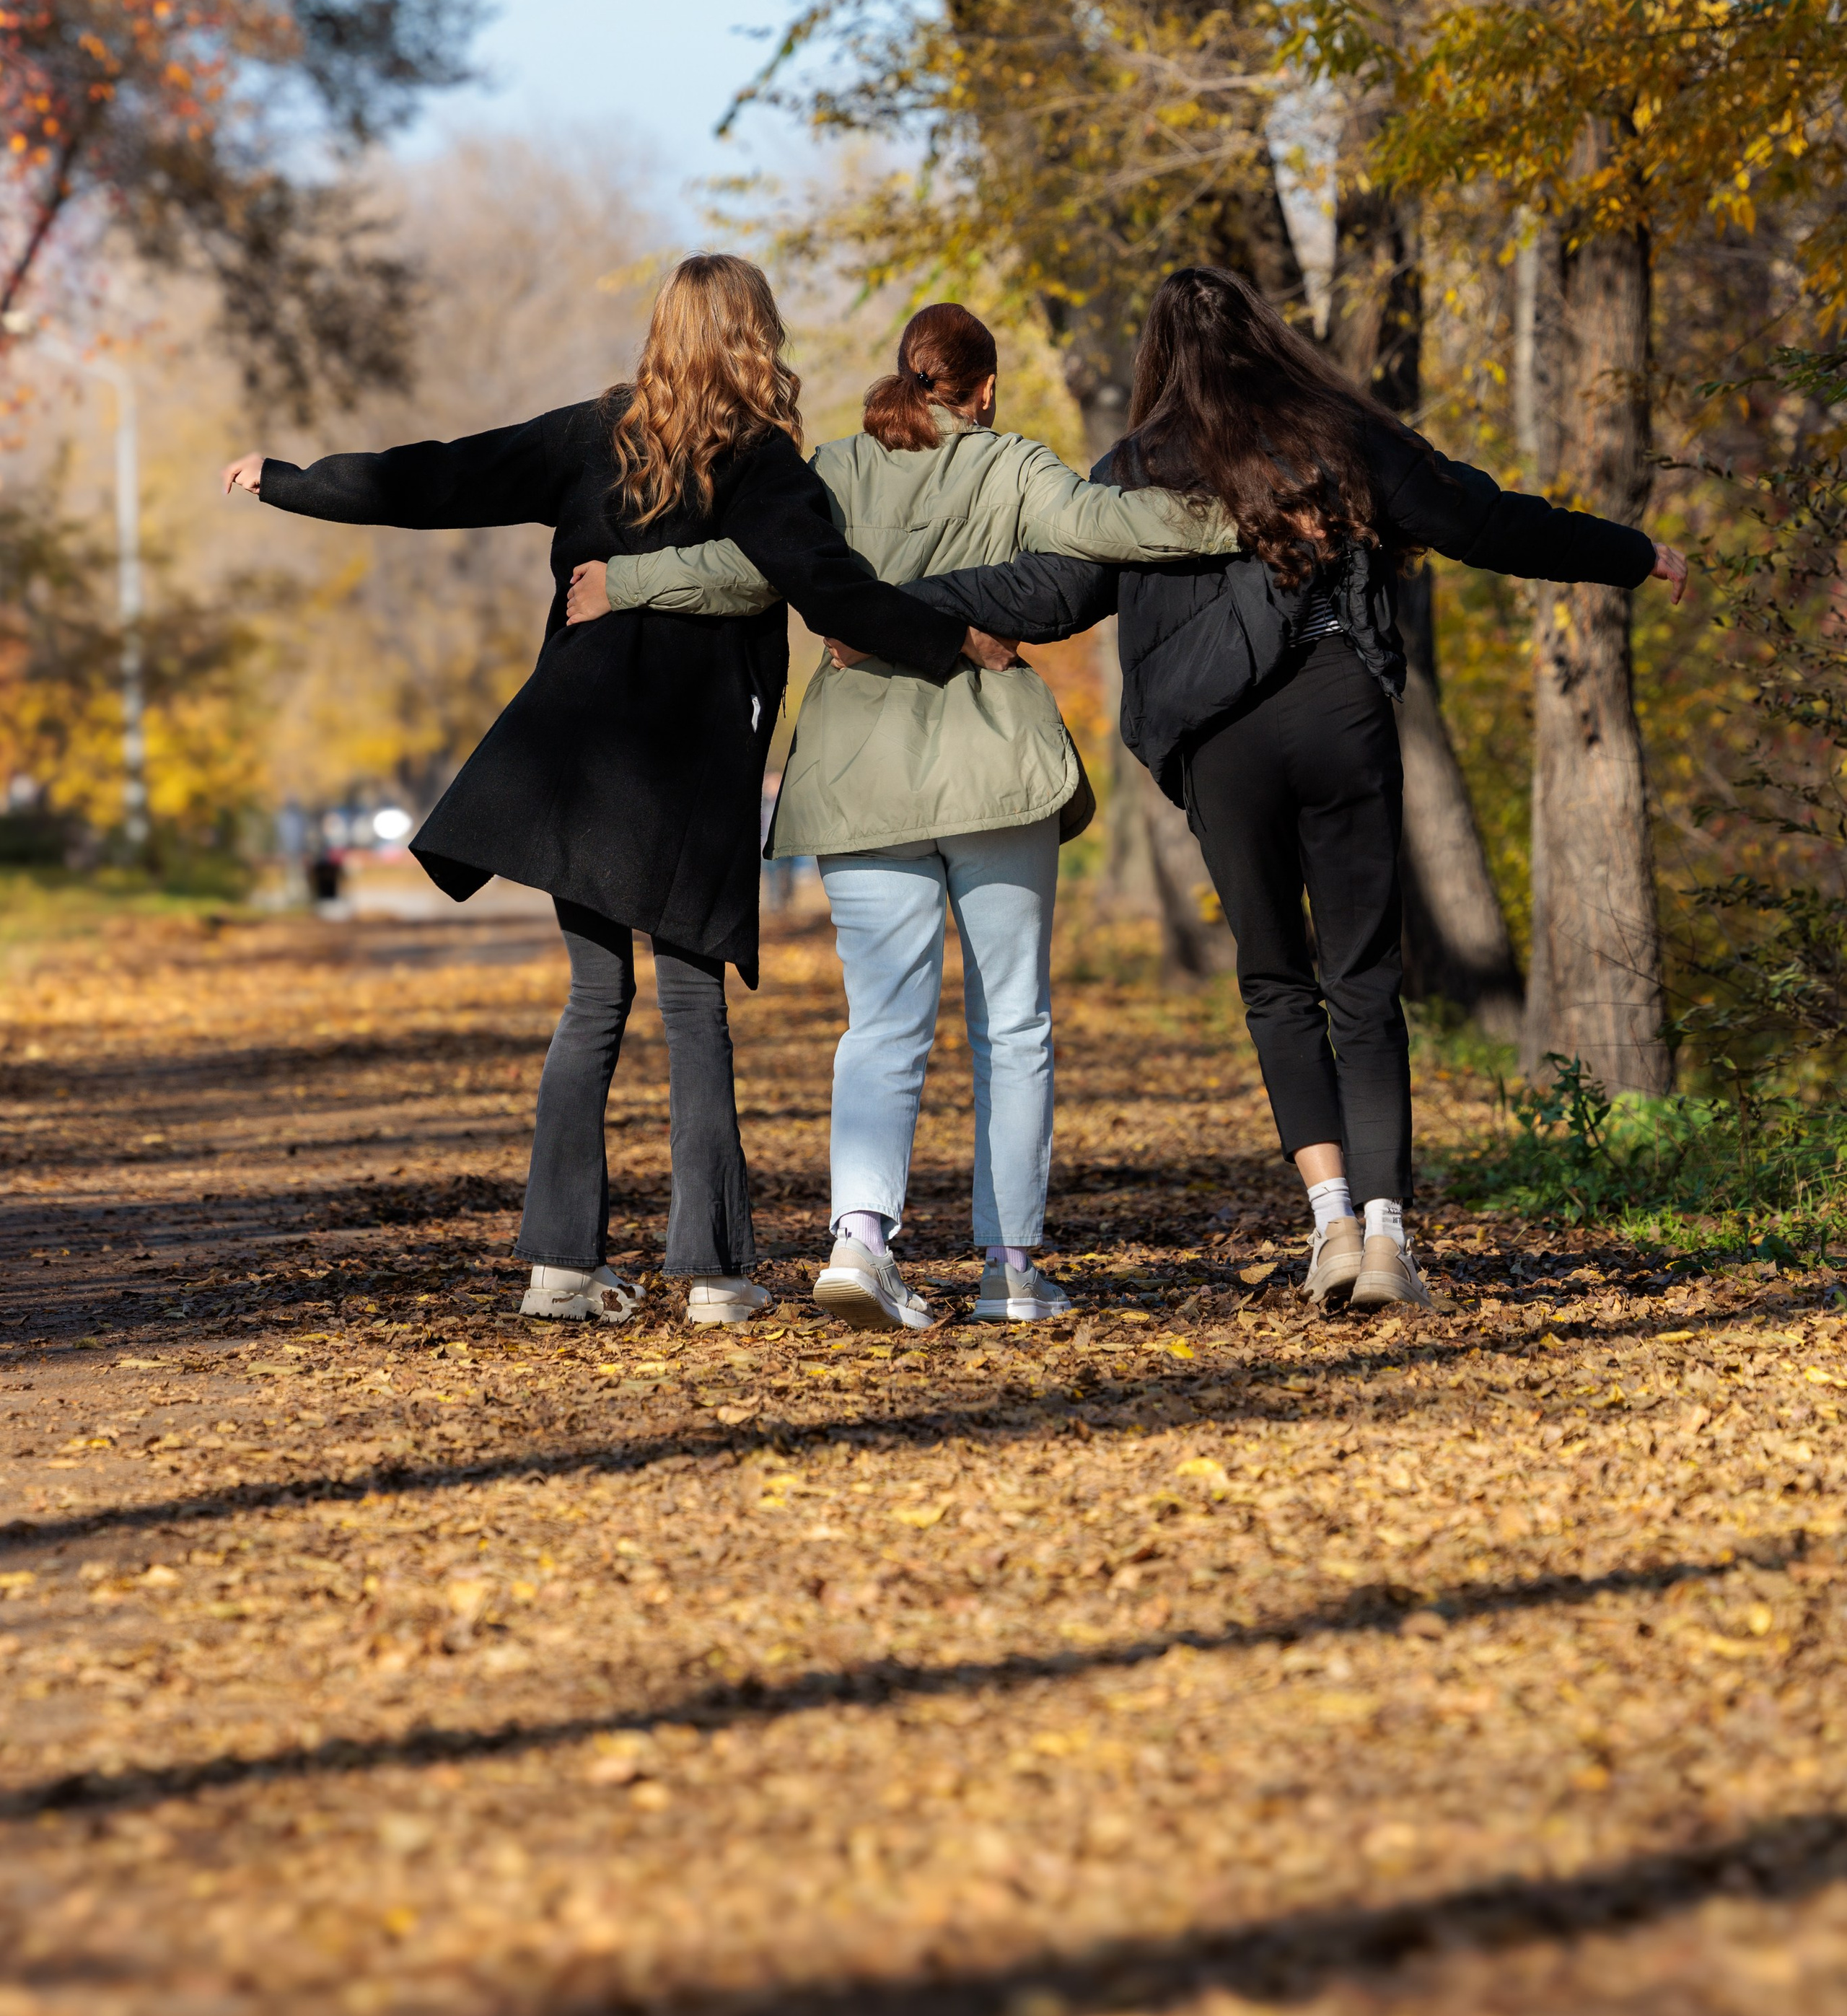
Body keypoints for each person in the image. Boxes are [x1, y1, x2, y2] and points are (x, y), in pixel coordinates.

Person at [890, 265, 1690, 1313]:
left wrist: (895, 604)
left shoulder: (1134, 466)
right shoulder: (1339, 435)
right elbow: (1482, 521)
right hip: (1340, 715)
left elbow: (1054, 588)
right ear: (1268, 338)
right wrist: (1630, 552)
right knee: (1365, 975)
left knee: (1276, 979)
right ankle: (1392, 1236)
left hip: (1224, 747)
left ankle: (1332, 1226)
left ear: (1158, 361)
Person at [221, 253, 999, 1330]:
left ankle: (559, 1269)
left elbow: (442, 476)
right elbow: (832, 588)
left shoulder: (598, 434)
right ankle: (719, 1277)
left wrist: (293, 479)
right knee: (692, 1010)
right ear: (756, 336)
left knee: (593, 1003)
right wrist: (950, 638)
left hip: (571, 761)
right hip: (687, 765)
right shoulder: (767, 462)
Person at [570, 300, 1240, 1333]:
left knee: (881, 1023)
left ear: (903, 375)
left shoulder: (830, 471)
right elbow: (1112, 526)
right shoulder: (1012, 463)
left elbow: (743, 571)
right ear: (981, 388)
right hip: (992, 769)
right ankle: (1011, 1268)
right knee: (1012, 1020)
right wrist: (1240, 519)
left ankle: (861, 1241)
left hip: (859, 777)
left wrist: (629, 580)